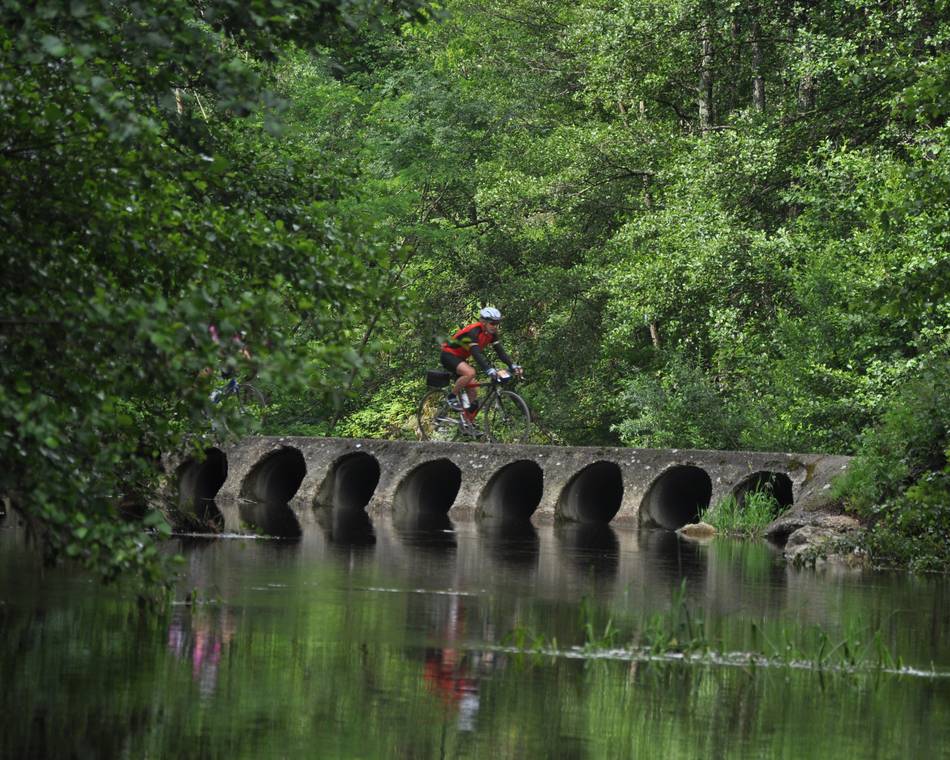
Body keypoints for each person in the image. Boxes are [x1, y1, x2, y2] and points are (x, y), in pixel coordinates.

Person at [440, 307, 523, 412]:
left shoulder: (492, 334)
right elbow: (475, 353)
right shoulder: (474, 331)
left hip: (460, 358)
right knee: (470, 372)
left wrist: (512, 365)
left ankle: (465, 422)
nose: (495, 327)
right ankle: (451, 397)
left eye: (497, 323)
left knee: (473, 393)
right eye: (492, 323)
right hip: (448, 354)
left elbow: (501, 352)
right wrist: (488, 369)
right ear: (483, 322)